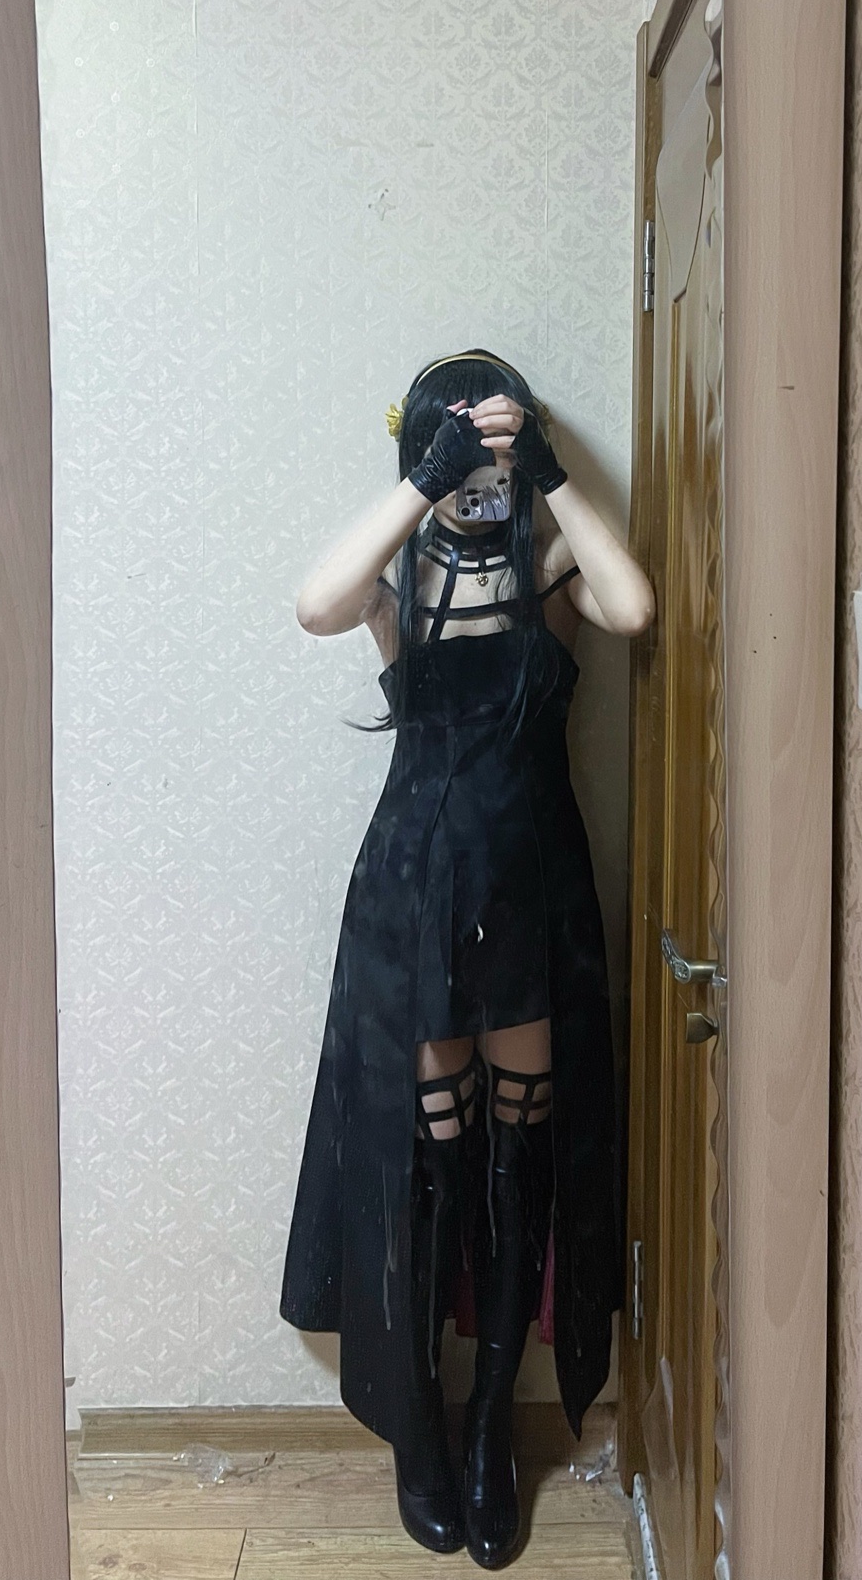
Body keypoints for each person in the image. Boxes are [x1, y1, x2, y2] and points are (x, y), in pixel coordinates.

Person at [280, 349, 654, 1569]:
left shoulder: (546, 571)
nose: (478, 483)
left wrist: (543, 469)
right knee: (428, 1160)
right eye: (461, 458)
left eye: (489, 458)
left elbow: (632, 606)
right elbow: (315, 603)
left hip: (532, 889)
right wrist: (424, 477)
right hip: (415, 896)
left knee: (517, 1158)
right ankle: (422, 1433)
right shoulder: (397, 585)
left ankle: (494, 1423)